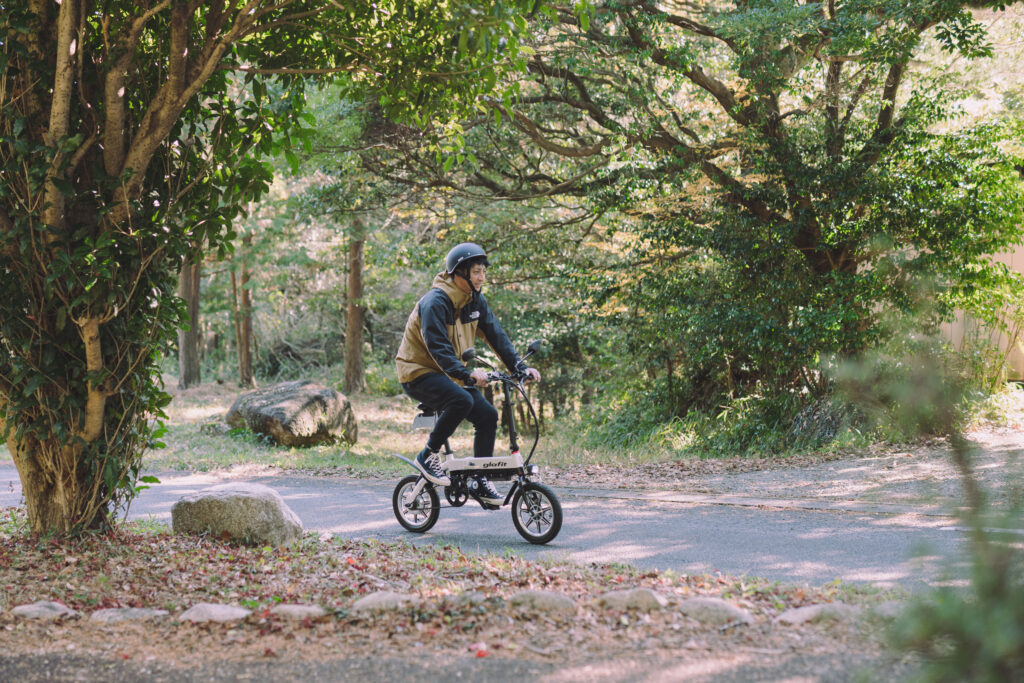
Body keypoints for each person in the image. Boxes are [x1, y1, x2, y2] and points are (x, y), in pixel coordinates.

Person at [395, 242, 541, 506]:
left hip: (451, 374)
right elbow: (438, 348)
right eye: (476, 271)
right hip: (418, 372)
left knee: (487, 415)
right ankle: (428, 455)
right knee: (461, 400)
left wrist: (519, 368)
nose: (481, 277)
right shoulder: (435, 302)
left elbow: (496, 335)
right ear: (458, 273)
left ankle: (480, 478)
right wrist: (467, 374)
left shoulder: (475, 301)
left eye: (483, 271)